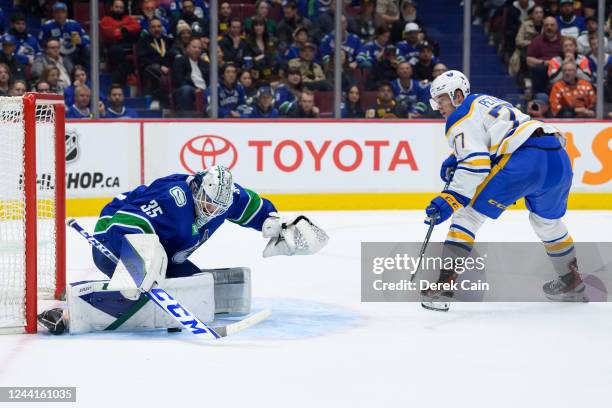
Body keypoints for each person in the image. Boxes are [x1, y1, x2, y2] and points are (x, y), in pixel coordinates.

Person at [422, 70, 586, 307]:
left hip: (525, 160)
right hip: (557, 155)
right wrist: (455, 156)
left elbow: (475, 164)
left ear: (457, 95)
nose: (438, 107)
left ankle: (443, 287)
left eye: (441, 99)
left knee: (467, 214)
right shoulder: (482, 100)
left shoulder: (457, 117)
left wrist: (450, 198)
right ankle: (573, 282)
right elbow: (492, 135)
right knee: (546, 223)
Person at [100, 0, 142, 86]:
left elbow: (137, 27)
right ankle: (121, 80)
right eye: (117, 7)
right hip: (112, 46)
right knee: (118, 52)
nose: (119, 9)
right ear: (112, 8)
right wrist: (125, 30)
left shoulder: (127, 18)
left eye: (121, 7)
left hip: (128, 45)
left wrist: (123, 29)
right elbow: (110, 34)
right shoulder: (106, 20)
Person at [136, 17, 174, 106]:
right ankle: (155, 99)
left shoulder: (167, 40)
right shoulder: (143, 41)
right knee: (154, 70)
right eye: (153, 27)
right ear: (149, 29)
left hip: (167, 67)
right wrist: (160, 66)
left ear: (162, 28)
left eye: (159, 26)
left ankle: (172, 101)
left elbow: (171, 55)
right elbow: (142, 58)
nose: (156, 29)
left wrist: (167, 66)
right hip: (150, 67)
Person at [39, 2, 90, 67]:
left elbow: (87, 38)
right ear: (53, 14)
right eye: (57, 12)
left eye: (62, 12)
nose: (60, 15)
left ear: (66, 14)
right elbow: (41, 42)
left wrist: (81, 40)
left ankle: (91, 71)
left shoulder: (74, 25)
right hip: (57, 53)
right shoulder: (47, 26)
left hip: (74, 52)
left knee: (88, 48)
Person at [172, 37, 209, 112]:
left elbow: (210, 80)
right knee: (185, 89)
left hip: (205, 89)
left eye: (199, 48)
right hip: (190, 88)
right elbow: (178, 80)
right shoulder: (180, 61)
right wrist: (196, 88)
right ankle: (188, 116)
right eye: (194, 47)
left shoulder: (205, 64)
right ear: (188, 48)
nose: (197, 50)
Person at [526, 16, 562, 94]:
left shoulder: (563, 40)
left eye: (552, 25)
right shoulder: (537, 41)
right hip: (544, 68)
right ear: (543, 27)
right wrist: (543, 62)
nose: (549, 27)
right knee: (539, 69)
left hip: (560, 68)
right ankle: (540, 97)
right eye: (546, 25)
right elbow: (528, 60)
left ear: (557, 26)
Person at [244, 16, 278, 84]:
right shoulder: (248, 41)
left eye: (261, 25)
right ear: (253, 27)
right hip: (256, 74)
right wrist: (262, 57)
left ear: (264, 27)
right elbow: (248, 60)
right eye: (256, 25)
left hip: (270, 72)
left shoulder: (271, 40)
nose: (258, 27)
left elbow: (273, 56)